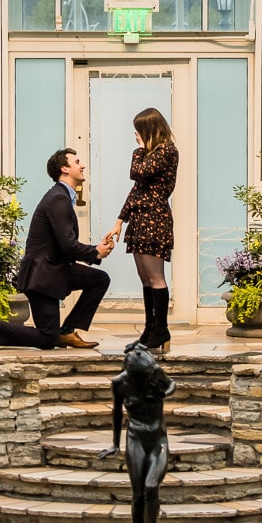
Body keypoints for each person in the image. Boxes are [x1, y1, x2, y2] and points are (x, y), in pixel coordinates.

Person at [0, 148, 114, 350]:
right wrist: (95, 252)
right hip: (42, 276)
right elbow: (68, 244)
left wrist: (96, 251)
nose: (82, 165)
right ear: (64, 169)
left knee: (99, 280)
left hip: (56, 270)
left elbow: (63, 246)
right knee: (47, 339)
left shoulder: (63, 197)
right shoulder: (58, 198)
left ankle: (66, 332)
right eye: (77, 162)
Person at [96, 346, 175, 523]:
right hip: (135, 438)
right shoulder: (119, 383)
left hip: (158, 439)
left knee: (152, 487)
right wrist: (115, 444)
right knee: (138, 494)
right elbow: (117, 413)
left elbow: (172, 384)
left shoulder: (155, 372)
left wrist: (164, 393)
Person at [104, 107, 178, 352]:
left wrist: (139, 150)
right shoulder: (147, 154)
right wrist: (119, 221)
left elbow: (137, 172)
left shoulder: (166, 151)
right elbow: (137, 190)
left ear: (150, 130)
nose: (135, 135)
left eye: (139, 130)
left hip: (154, 219)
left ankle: (161, 330)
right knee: (146, 278)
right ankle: (150, 329)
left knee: (156, 277)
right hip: (140, 218)